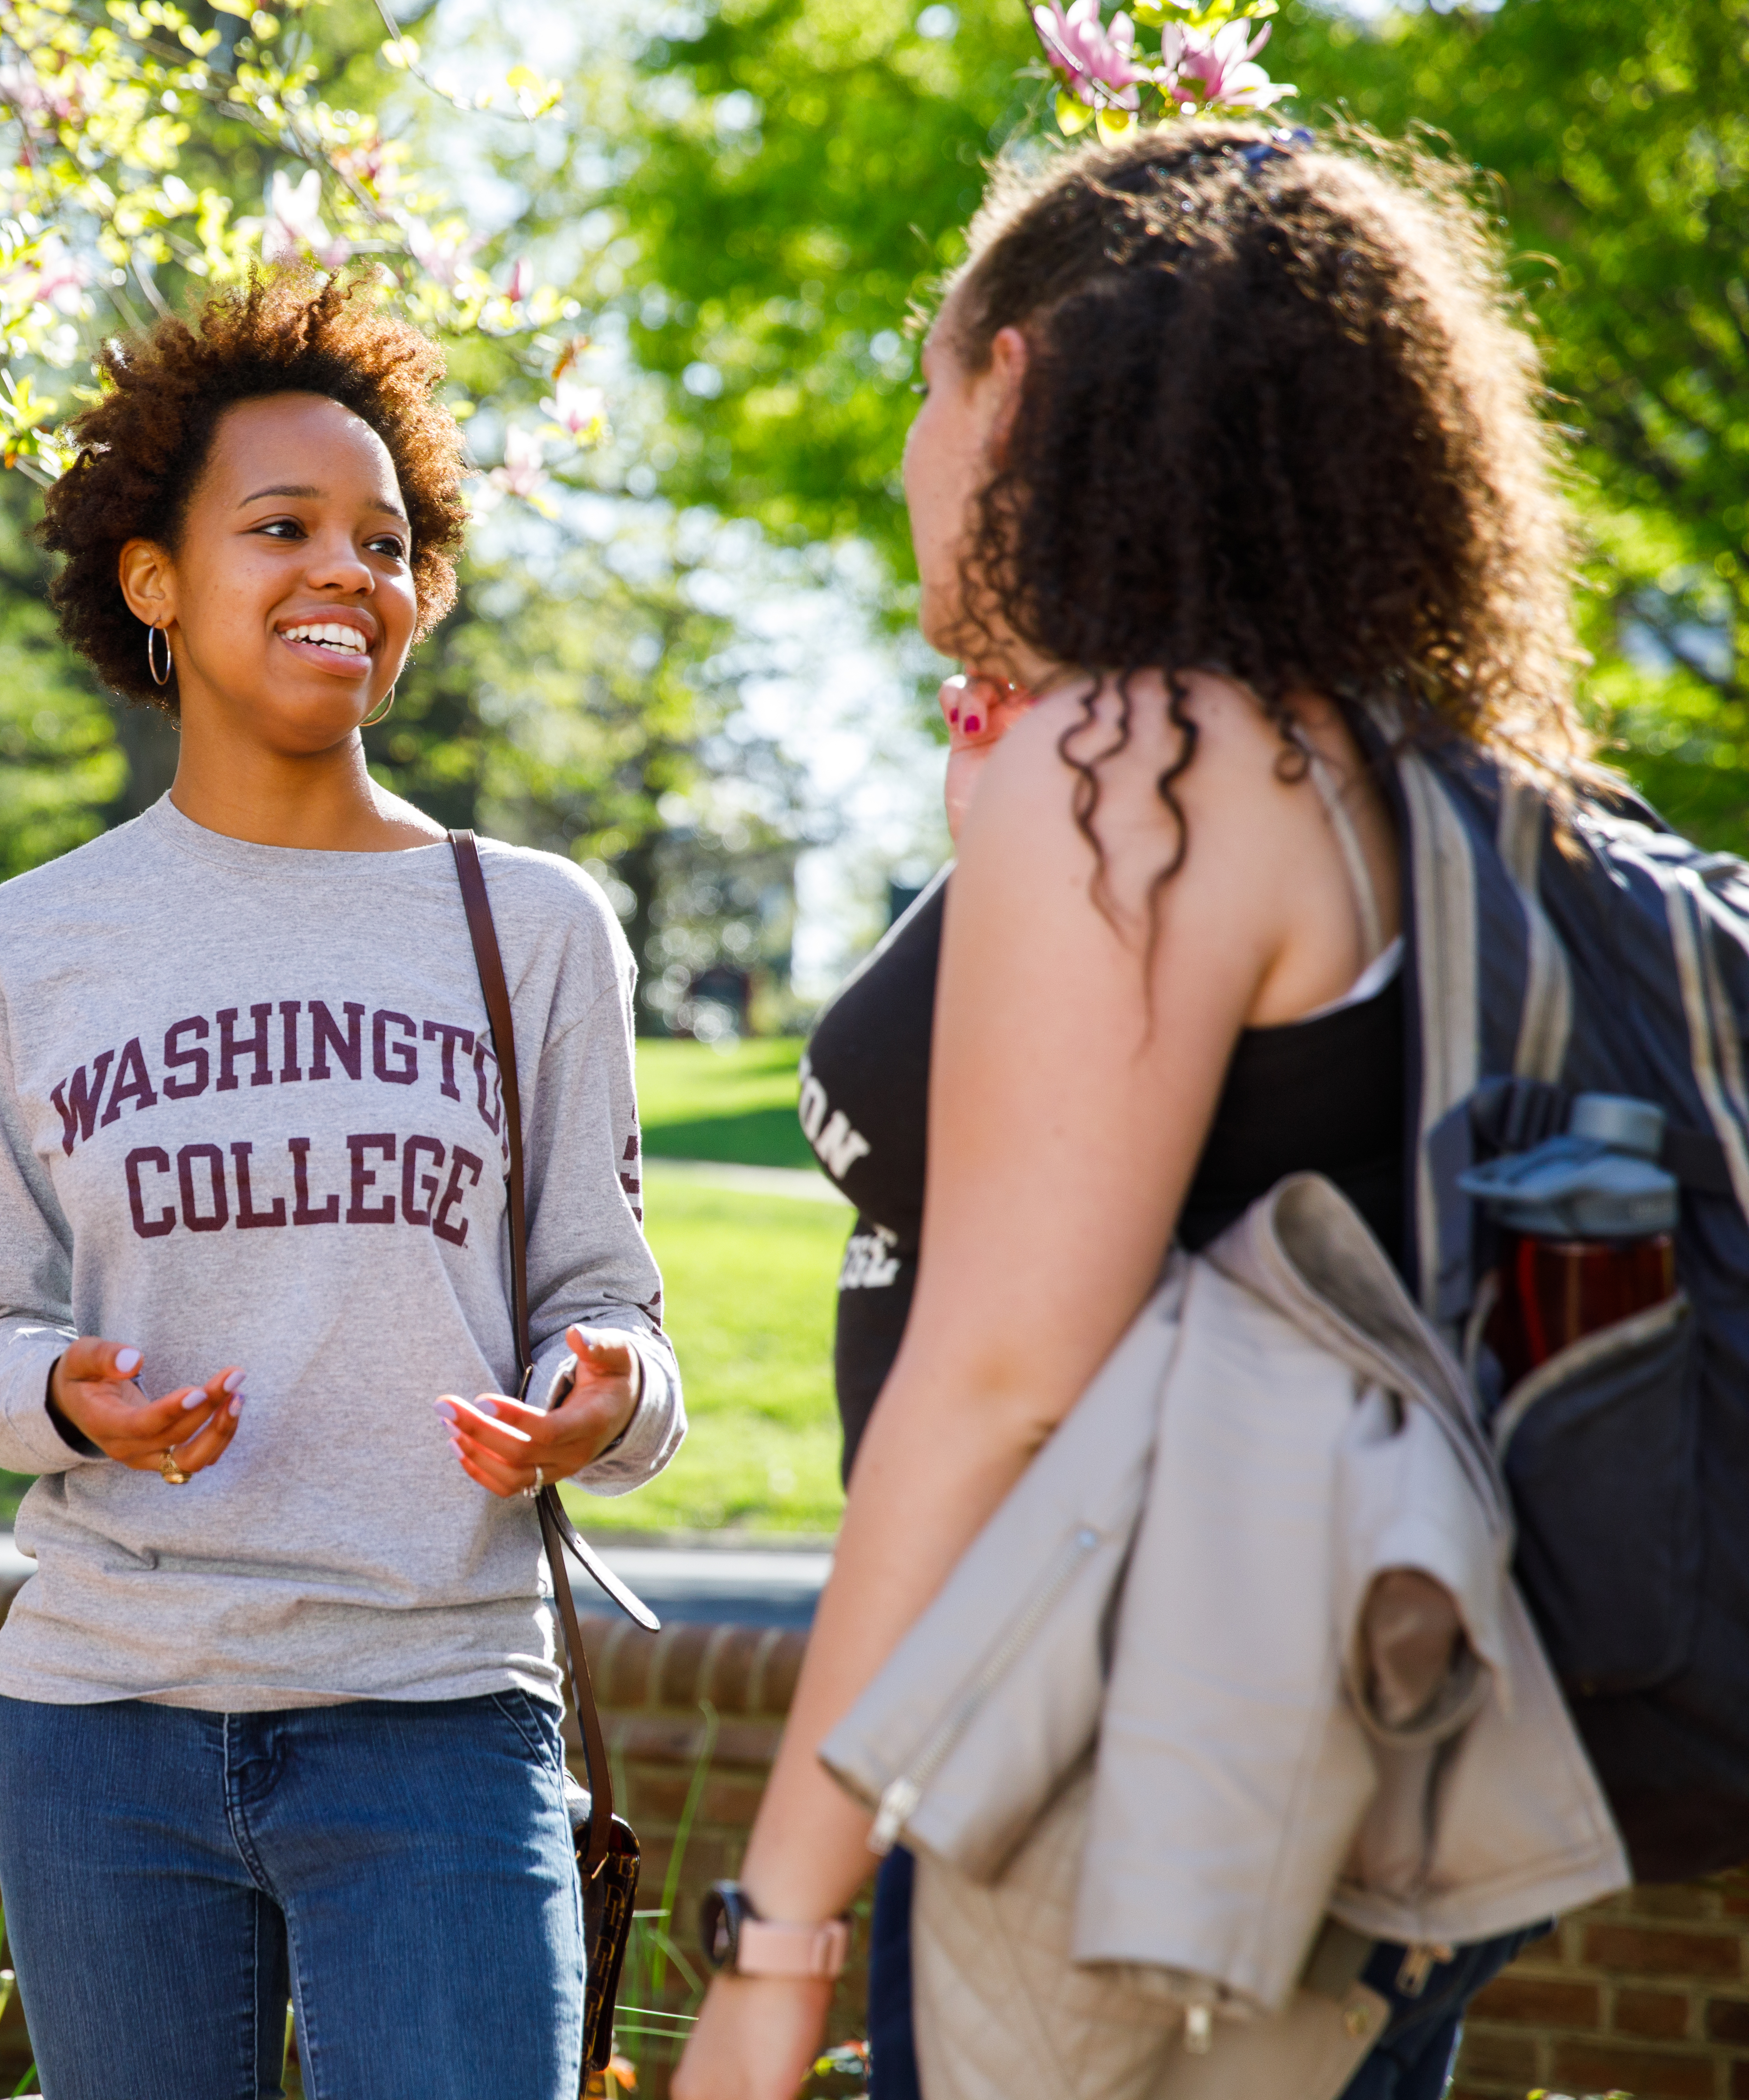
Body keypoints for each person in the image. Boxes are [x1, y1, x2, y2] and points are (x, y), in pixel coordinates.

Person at [674, 124, 1585, 2100]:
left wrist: (775, 1949)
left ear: (1016, 385)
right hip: (1320, 1777)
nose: (910, 454)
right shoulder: (1374, 767)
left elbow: (998, 1379)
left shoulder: (1144, 762)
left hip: (1126, 1804)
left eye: (924, 385)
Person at [0, 271, 689, 2100]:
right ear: (155, 580)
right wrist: (63, 1397)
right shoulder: (35, 944)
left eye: (387, 539)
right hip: (104, 1718)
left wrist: (602, 1397)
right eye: (282, 528)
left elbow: (617, 1302)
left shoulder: (536, 929)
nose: (348, 568)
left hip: (440, 1709)